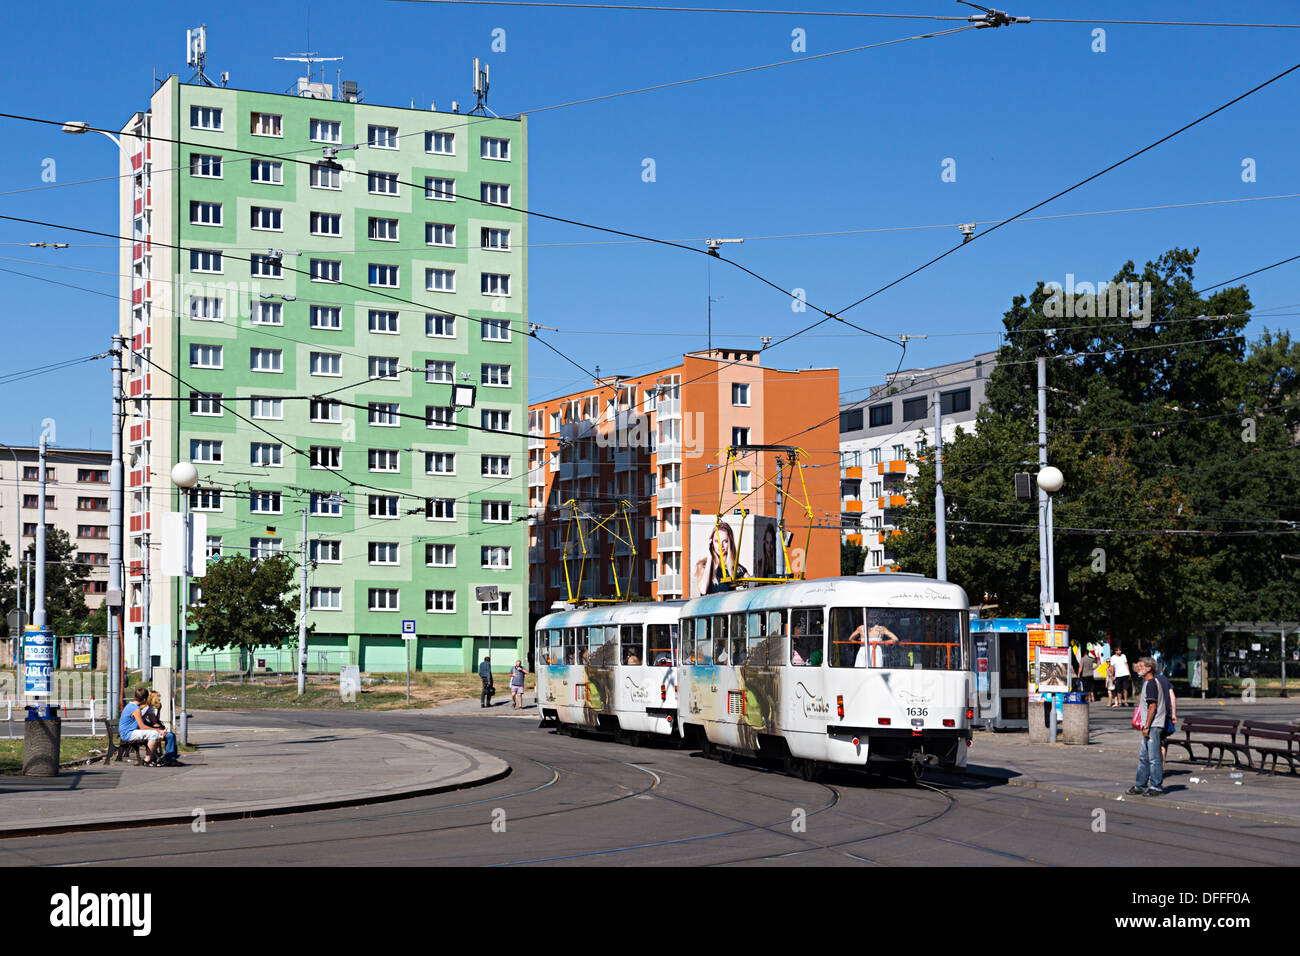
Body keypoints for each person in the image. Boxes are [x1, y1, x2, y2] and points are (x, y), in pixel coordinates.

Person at [1127, 657, 1169, 796]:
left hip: (1153, 725)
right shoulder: (1147, 682)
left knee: (1153, 757)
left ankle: (1156, 786)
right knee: (1144, 757)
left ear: (1149, 668)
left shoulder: (1151, 683)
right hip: (1150, 724)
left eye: (1141, 666)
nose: (1139, 668)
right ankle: (1140, 785)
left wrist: (1147, 726)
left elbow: (1152, 706)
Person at [117, 687, 162, 766]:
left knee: (154, 734)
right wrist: (158, 730)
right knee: (155, 734)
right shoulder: (136, 709)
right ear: (144, 699)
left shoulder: (130, 705)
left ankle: (151, 759)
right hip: (128, 734)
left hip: (126, 732)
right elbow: (142, 727)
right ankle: (147, 760)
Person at [143, 690, 181, 766]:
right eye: (158, 698)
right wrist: (160, 730)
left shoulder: (150, 707)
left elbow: (155, 721)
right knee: (170, 736)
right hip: (148, 731)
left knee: (171, 735)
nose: (159, 700)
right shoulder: (146, 708)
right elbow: (154, 724)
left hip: (151, 729)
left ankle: (171, 758)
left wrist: (159, 710)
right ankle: (170, 758)